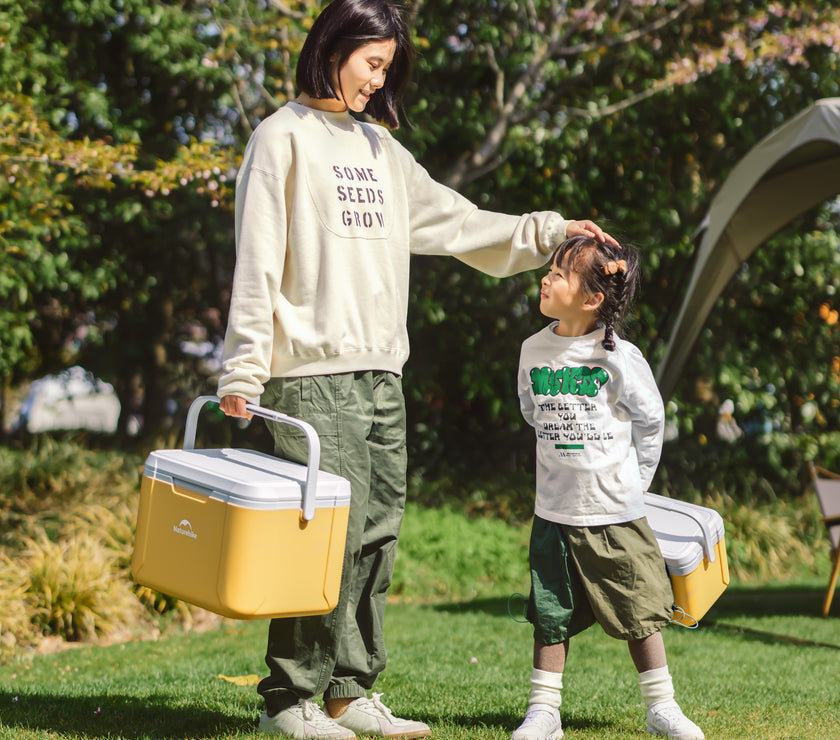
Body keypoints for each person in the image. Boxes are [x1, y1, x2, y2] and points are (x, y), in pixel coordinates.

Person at [216, 1, 616, 738]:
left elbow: (460, 223)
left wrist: (551, 231)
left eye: (387, 70)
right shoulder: (281, 138)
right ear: (333, 47)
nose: (378, 81)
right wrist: (243, 370)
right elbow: (258, 259)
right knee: (322, 538)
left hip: (382, 373)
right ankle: (291, 699)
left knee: (375, 533)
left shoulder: (381, 152)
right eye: (373, 63)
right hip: (311, 374)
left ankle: (348, 689)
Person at [513, 235, 705, 740]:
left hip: (617, 512)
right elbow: (532, 412)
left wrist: (634, 485)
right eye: (548, 270)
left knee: (641, 610)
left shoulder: (618, 355)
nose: (546, 277)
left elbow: (651, 420)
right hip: (554, 511)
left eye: (559, 273)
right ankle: (543, 711)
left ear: (592, 298)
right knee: (551, 613)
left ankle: (661, 706)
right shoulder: (533, 350)